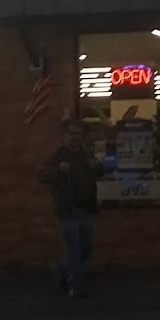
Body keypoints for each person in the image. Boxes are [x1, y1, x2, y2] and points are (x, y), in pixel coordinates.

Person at [39, 115, 101, 296]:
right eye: (72, 133)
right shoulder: (56, 155)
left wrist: (97, 166)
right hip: (67, 208)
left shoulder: (87, 154)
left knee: (86, 247)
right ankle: (75, 286)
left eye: (78, 134)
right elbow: (42, 175)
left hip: (86, 206)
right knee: (73, 247)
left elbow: (101, 170)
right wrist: (58, 170)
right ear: (64, 135)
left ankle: (60, 268)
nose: (75, 137)